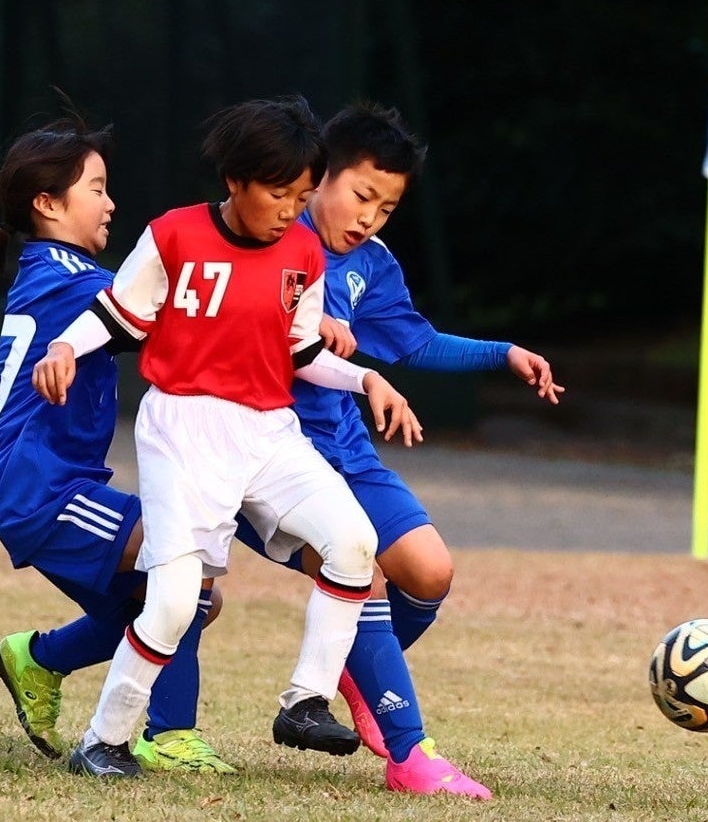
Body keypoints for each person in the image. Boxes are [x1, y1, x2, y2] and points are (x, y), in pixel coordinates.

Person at [32, 95, 421, 778]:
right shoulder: (173, 236)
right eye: (277, 192)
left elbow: (302, 350)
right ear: (235, 181)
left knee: (356, 544)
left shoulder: (303, 249)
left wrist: (365, 381)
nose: (288, 210)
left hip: (267, 429)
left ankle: (305, 702)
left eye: (300, 195)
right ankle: (104, 738)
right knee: (178, 600)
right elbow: (116, 315)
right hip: (182, 430)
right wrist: (65, 346)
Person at [209, 101, 562, 799]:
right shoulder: (272, 234)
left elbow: (416, 341)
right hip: (273, 454)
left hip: (346, 447)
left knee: (430, 573)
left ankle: (350, 660)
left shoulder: (371, 264)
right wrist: (310, 329)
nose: (370, 216)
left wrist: (504, 353)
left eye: (387, 207)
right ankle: (412, 755)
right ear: (319, 180)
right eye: (362, 195)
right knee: (357, 568)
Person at [0, 111, 235, 769]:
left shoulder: (53, 271)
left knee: (176, 602)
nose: (111, 202)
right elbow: (155, 313)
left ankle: (38, 658)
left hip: (48, 484)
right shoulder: (70, 280)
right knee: (181, 565)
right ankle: (168, 736)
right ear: (48, 203)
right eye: (97, 187)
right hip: (43, 487)